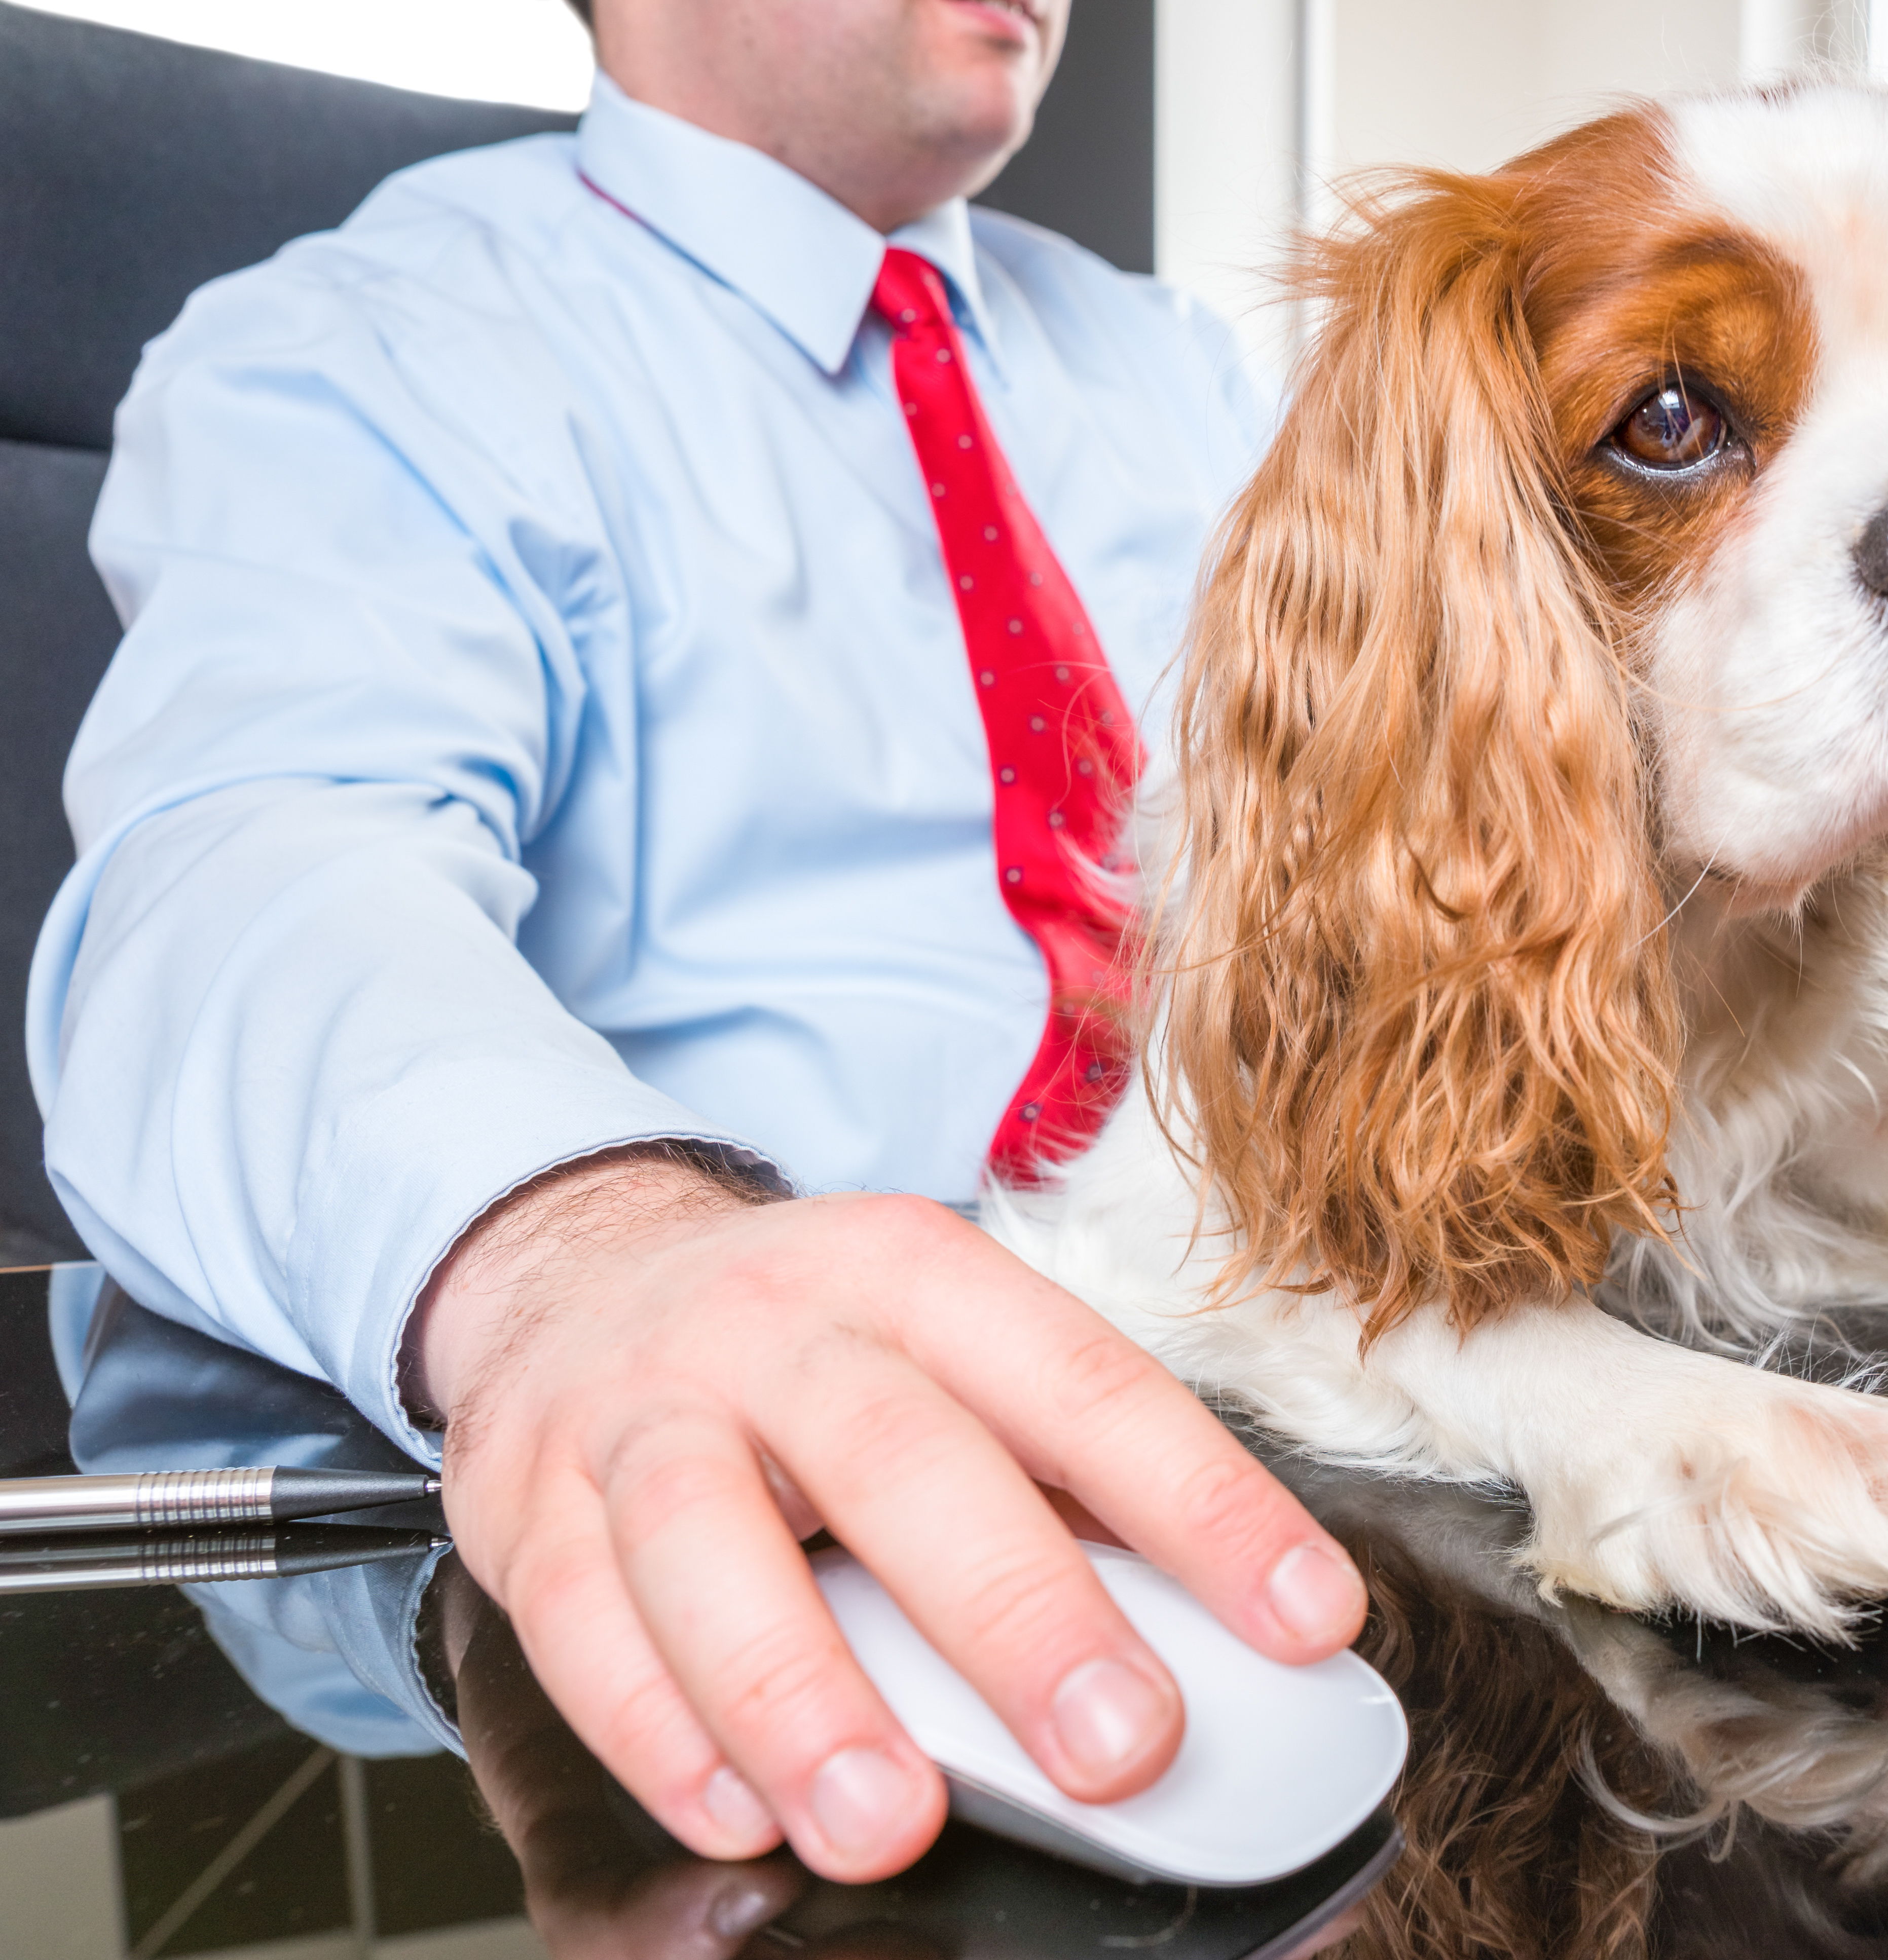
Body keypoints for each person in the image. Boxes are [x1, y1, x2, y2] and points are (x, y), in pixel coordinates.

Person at [24, 0, 1369, 1885]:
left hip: (1298, 1375)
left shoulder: (1181, 371)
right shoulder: (368, 341)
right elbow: (252, 864)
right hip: (765, 1464)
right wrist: (580, 1255)